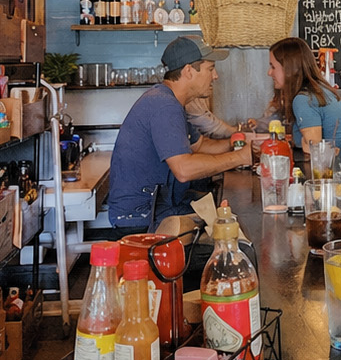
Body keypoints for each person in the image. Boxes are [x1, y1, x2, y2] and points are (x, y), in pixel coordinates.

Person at [103, 37, 253, 237]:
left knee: (228, 221)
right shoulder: (164, 105)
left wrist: (235, 144)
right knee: (235, 231)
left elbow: (199, 146)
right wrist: (240, 157)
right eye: (210, 69)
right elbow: (183, 169)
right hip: (140, 220)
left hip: (159, 208)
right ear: (189, 70)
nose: (215, 76)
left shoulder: (170, 101)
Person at [266, 37, 341, 158]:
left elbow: (315, 149)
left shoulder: (303, 99)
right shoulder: (317, 89)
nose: (269, 73)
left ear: (289, 68)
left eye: (273, 67)